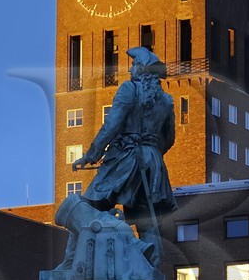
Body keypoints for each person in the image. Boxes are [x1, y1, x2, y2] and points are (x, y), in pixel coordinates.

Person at [70, 46, 177, 266]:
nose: (130, 69)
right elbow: (169, 138)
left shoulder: (128, 89)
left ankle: (71, 261)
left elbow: (111, 125)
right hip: (152, 163)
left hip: (125, 159)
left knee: (86, 206)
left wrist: (91, 155)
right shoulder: (167, 101)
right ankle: (151, 270)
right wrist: (152, 153)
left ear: (141, 68)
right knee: (145, 218)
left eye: (133, 64)